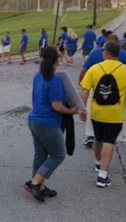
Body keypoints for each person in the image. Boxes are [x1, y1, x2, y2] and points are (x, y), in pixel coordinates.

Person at [80, 41, 126, 188]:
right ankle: (102, 176)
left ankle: (98, 163)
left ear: (106, 52)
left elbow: (85, 92)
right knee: (109, 141)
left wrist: (82, 109)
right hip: (115, 114)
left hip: (96, 112)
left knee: (98, 138)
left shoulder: (94, 69)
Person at [24, 46, 79, 202]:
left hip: (34, 120)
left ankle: (40, 187)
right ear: (56, 59)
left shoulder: (38, 75)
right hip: (47, 123)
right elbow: (56, 106)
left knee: (40, 155)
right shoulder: (54, 80)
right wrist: (71, 112)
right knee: (58, 155)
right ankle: (34, 183)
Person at [78, 34, 126, 147]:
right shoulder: (123, 55)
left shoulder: (95, 53)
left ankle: (91, 136)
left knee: (92, 112)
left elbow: (84, 69)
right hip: (117, 91)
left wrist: (81, 81)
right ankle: (109, 138)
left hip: (95, 88)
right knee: (112, 117)